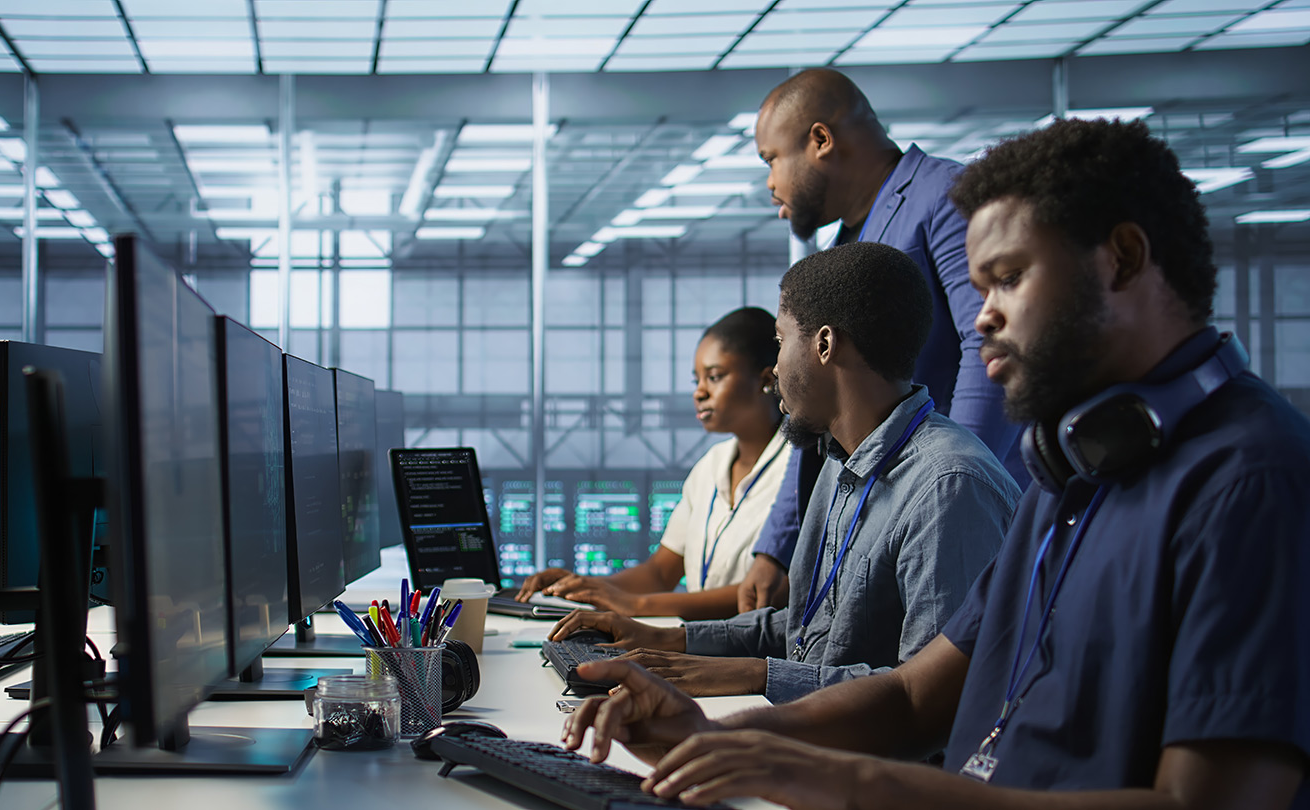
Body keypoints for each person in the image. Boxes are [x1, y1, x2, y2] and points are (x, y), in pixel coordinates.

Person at [561, 118, 1310, 809]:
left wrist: (836, 777)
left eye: (1009, 279)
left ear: (1122, 258)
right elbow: (919, 694)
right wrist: (722, 737)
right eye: (980, 287)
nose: (982, 316)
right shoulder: (1076, 470)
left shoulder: (1247, 480)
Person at [549, 242, 1018, 703]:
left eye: (779, 341)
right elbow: (809, 630)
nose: (773, 368)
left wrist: (754, 677)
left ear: (824, 344)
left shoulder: (947, 487)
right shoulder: (840, 464)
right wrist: (668, 641)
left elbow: (932, 702)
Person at [738, 67, 1025, 614]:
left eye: (771, 159)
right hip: (877, 510)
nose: (770, 182)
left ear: (820, 141)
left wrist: (946, 491)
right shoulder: (842, 246)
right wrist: (776, 548)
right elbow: (819, 414)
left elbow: (987, 344)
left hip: (942, 513)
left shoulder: (944, 196)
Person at [515, 307, 790, 621]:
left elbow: (772, 590)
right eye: (696, 379)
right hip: (703, 644)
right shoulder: (710, 467)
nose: (699, 392)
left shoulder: (801, 466)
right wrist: (582, 587)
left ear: (766, 380)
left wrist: (637, 607)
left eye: (714, 377)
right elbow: (660, 573)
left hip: (755, 654)